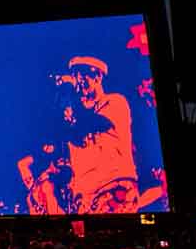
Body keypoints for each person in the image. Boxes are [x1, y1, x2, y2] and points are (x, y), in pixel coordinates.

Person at [18, 56, 138, 214]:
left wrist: (70, 93)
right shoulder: (74, 118)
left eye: (84, 75)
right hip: (86, 198)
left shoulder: (115, 102)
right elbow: (67, 139)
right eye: (75, 75)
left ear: (98, 76)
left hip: (114, 187)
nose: (79, 80)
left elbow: (92, 122)